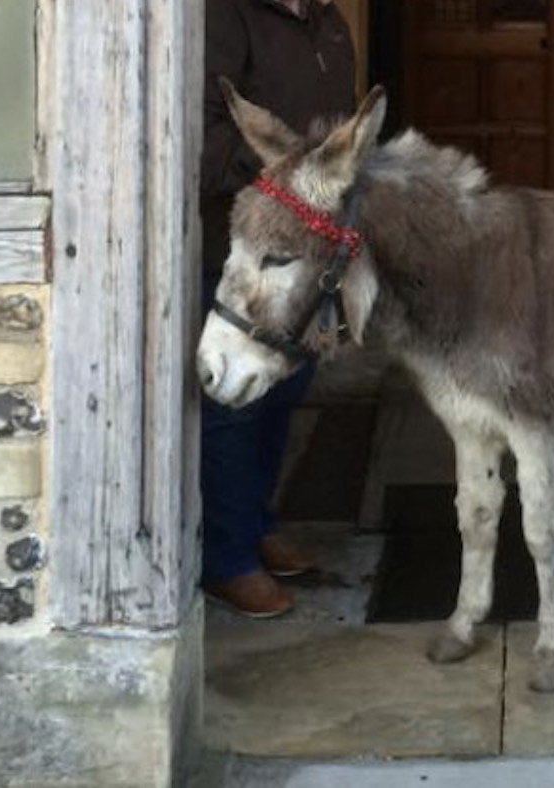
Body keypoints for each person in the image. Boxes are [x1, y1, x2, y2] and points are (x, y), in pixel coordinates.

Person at [200, 0, 358, 617]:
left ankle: (257, 523)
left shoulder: (330, 23)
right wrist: (290, 164)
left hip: (308, 258)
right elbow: (203, 139)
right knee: (234, 404)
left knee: (285, 391)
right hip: (242, 252)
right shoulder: (225, 17)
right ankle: (227, 559)